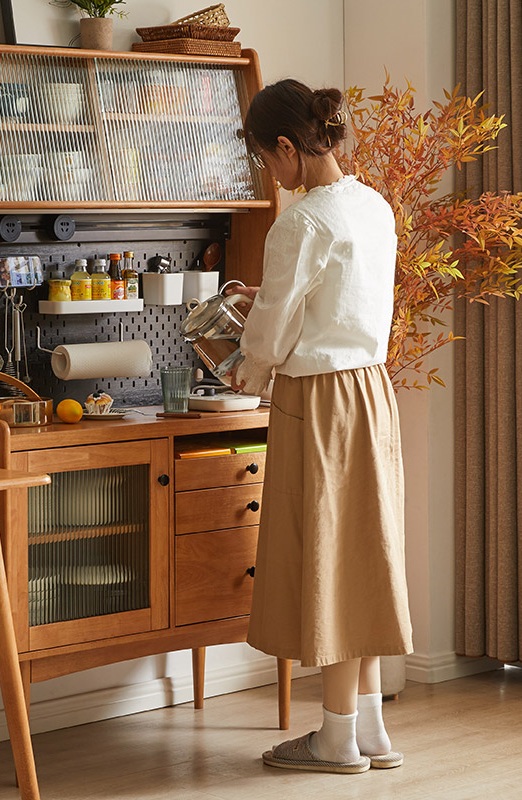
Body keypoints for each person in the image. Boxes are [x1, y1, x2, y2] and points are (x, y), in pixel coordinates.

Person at [230, 79, 413, 775]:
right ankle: (367, 729)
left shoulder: (300, 223)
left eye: (266, 162)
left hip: (318, 401)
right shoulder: (373, 206)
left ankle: (335, 740)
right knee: (363, 551)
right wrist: (267, 300)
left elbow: (273, 335)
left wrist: (247, 366)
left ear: (287, 148)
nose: (270, 177)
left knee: (329, 559)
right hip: (370, 392)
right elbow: (332, 301)